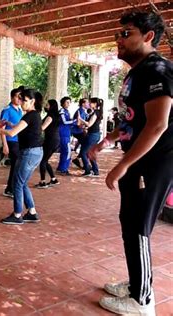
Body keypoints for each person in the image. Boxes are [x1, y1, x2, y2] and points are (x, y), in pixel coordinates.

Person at [89, 11, 172, 315]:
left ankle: (143, 301)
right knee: (130, 222)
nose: (119, 40)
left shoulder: (158, 70)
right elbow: (133, 121)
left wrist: (124, 164)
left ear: (148, 37)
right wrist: (107, 140)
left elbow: (157, 125)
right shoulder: (138, 72)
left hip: (154, 162)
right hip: (139, 159)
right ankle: (138, 284)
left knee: (138, 226)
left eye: (127, 34)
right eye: (118, 34)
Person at [0, 89, 43, 224]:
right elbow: (19, 127)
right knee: (22, 183)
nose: (22, 102)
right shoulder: (33, 115)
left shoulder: (30, 115)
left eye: (25, 100)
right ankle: (32, 212)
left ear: (32, 101)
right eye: (21, 99)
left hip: (30, 153)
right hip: (33, 152)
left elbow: (12, 133)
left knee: (17, 183)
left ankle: (17, 215)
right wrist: (9, 124)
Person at [0, 87, 23, 198]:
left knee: (16, 165)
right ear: (12, 97)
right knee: (16, 164)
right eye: (18, 96)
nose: (20, 99)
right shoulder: (7, 110)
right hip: (10, 141)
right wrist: (4, 145)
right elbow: (1, 128)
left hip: (18, 140)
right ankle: (10, 189)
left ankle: (10, 188)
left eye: (21, 97)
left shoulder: (19, 110)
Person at [35, 99, 60, 189]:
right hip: (55, 140)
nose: (46, 106)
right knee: (45, 160)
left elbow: (42, 127)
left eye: (47, 105)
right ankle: (53, 179)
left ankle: (43, 182)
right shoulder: (56, 115)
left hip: (50, 140)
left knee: (43, 160)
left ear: (51, 106)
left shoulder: (50, 116)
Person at [79, 97, 103, 177]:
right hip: (94, 134)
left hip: (92, 135)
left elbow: (89, 124)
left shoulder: (96, 113)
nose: (89, 104)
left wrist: (80, 119)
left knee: (83, 153)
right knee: (90, 153)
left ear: (95, 104)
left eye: (90, 102)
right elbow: (91, 125)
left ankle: (88, 170)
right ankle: (95, 171)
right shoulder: (96, 112)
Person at [56, 96, 75, 175]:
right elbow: (64, 121)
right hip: (63, 133)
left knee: (64, 151)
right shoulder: (62, 111)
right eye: (67, 102)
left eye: (69, 102)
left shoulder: (66, 111)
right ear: (62, 103)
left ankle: (61, 167)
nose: (68, 104)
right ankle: (64, 169)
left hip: (66, 133)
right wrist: (74, 121)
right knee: (67, 152)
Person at [71, 98, 89, 169]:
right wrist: (85, 127)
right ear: (83, 104)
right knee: (86, 146)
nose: (88, 104)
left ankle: (78, 159)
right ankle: (84, 163)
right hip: (78, 131)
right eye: (87, 103)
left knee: (85, 146)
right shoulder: (80, 111)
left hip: (79, 131)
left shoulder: (83, 111)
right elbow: (78, 123)